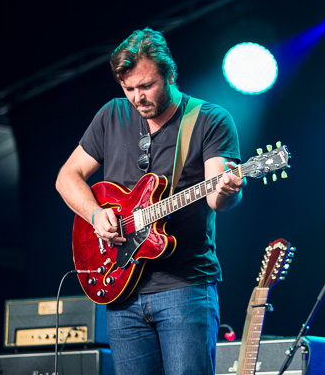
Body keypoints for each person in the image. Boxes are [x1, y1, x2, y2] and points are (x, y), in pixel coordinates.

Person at [56, 28, 245, 375]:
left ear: (170, 74)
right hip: (121, 288)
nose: (137, 97)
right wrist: (96, 215)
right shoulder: (111, 116)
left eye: (146, 86)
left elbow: (218, 197)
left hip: (184, 289)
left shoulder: (208, 119)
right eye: (129, 89)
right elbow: (66, 178)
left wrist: (228, 189)